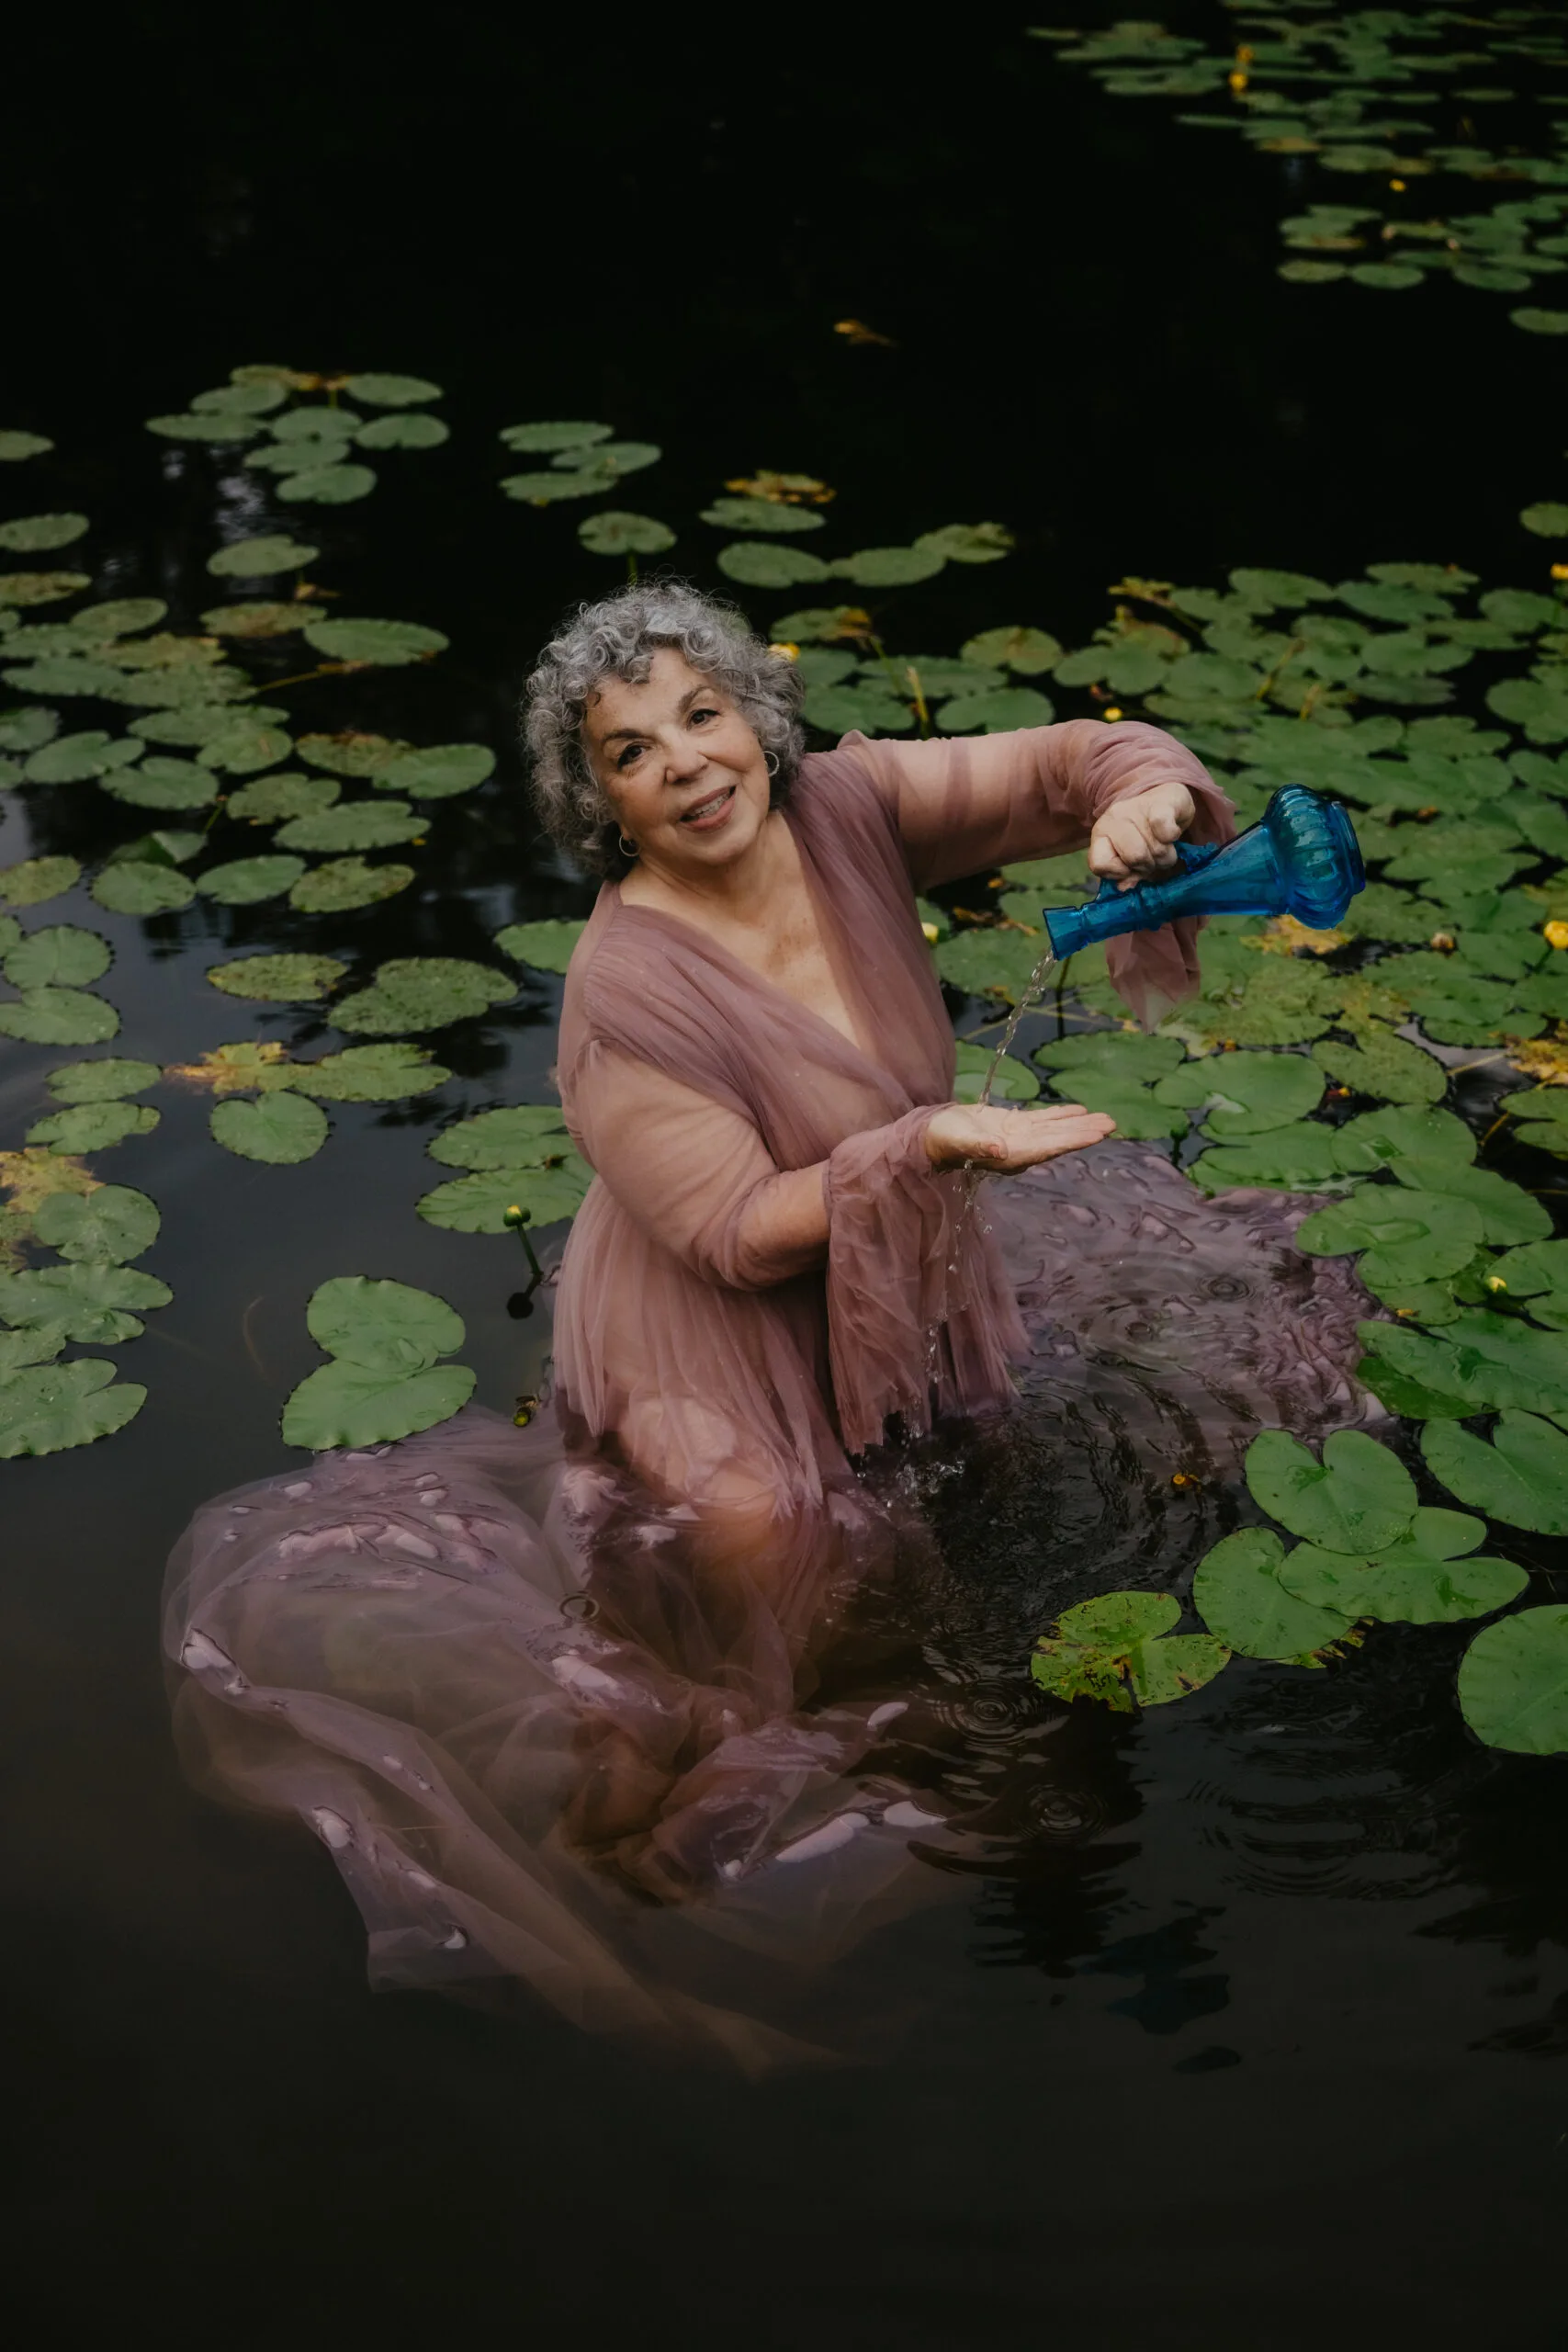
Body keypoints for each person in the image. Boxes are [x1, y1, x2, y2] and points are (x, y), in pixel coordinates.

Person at [164, 585, 1370, 2064]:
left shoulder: (850, 809)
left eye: (699, 713)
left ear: (756, 721)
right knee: (740, 1563)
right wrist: (923, 1152)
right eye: (628, 752)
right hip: (699, 1317)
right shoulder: (622, 992)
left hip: (884, 1252)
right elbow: (736, 1234)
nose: (681, 761)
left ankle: (776, 1821)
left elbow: (1079, 764)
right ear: (599, 804)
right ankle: (605, 1876)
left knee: (936, 1508)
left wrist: (1140, 805)